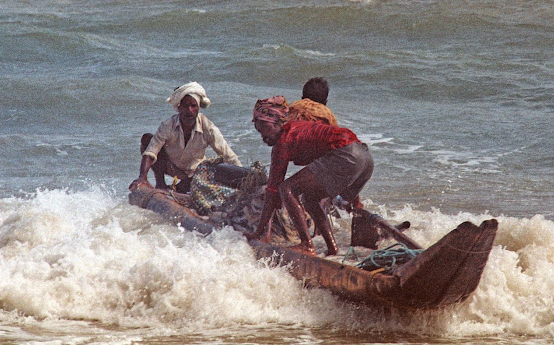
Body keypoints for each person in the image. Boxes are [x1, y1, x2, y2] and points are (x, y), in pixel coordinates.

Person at [248, 96, 373, 256]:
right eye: (259, 131)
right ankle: (332, 248)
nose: (263, 136)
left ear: (277, 122)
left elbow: (273, 191)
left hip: (347, 155)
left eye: (265, 129)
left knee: (286, 188)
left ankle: (307, 244)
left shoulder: (284, 141)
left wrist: (258, 234)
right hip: (365, 158)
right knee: (309, 198)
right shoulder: (299, 128)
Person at [129, 82, 242, 193]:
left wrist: (245, 178)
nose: (189, 111)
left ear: (198, 108)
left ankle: (179, 189)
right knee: (147, 139)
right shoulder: (168, 125)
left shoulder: (208, 127)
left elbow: (228, 155)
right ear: (179, 107)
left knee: (218, 169)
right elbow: (151, 152)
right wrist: (142, 177)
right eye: (185, 106)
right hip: (171, 167)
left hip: (195, 174)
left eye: (193, 106)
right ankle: (161, 184)